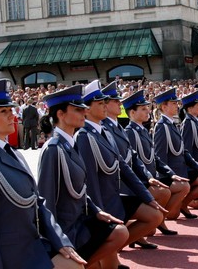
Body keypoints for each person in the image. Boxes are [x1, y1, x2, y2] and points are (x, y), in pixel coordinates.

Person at [0, 79, 86, 269]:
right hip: (6, 254)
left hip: (29, 246)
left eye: (11, 110)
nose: (12, 116)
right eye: (3, 112)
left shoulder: (13, 153)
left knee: (75, 264)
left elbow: (37, 201)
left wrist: (60, 240)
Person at [37, 85, 129, 269]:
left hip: (80, 220)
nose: (83, 113)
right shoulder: (53, 149)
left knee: (120, 232)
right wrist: (57, 240)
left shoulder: (70, 143)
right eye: (77, 109)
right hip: (66, 227)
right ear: (61, 114)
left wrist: (96, 211)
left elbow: (80, 189)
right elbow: (46, 199)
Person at [75, 80, 165, 255]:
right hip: (102, 202)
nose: (105, 106)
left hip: (114, 196)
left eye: (104, 102)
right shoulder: (84, 136)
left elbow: (123, 167)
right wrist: (98, 211)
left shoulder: (105, 132)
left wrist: (147, 197)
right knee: (111, 248)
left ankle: (114, 248)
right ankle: (107, 250)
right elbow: (90, 180)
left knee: (154, 215)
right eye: (100, 103)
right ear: (87, 109)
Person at [123, 90, 190, 232]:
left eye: (147, 108)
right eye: (143, 109)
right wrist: (149, 178)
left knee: (182, 186)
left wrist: (170, 174)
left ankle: (160, 219)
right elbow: (132, 162)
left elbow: (155, 158)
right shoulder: (130, 132)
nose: (148, 111)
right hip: (142, 180)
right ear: (132, 113)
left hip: (151, 177)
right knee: (164, 193)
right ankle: (156, 220)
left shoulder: (143, 130)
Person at [154, 88, 198, 219]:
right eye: (173, 103)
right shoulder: (162, 126)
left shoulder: (172, 124)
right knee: (173, 215)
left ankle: (182, 205)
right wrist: (169, 177)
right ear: (164, 106)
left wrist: (197, 167)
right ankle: (161, 217)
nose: (177, 106)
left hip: (181, 171)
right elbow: (160, 156)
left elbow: (183, 150)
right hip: (172, 174)